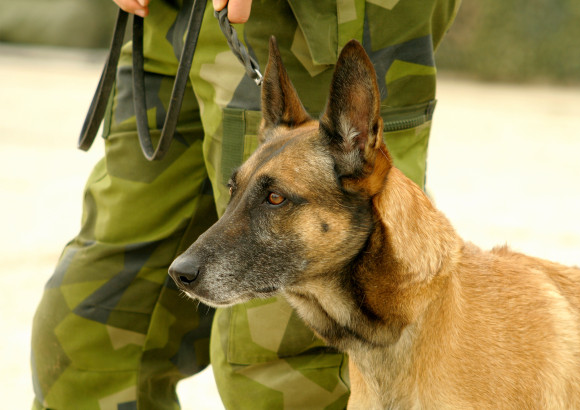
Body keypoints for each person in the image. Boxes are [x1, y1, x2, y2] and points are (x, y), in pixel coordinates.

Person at [31, 0, 460, 408]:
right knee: (94, 321)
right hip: (167, 22)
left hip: (312, 24)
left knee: (282, 360)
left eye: (275, 199)